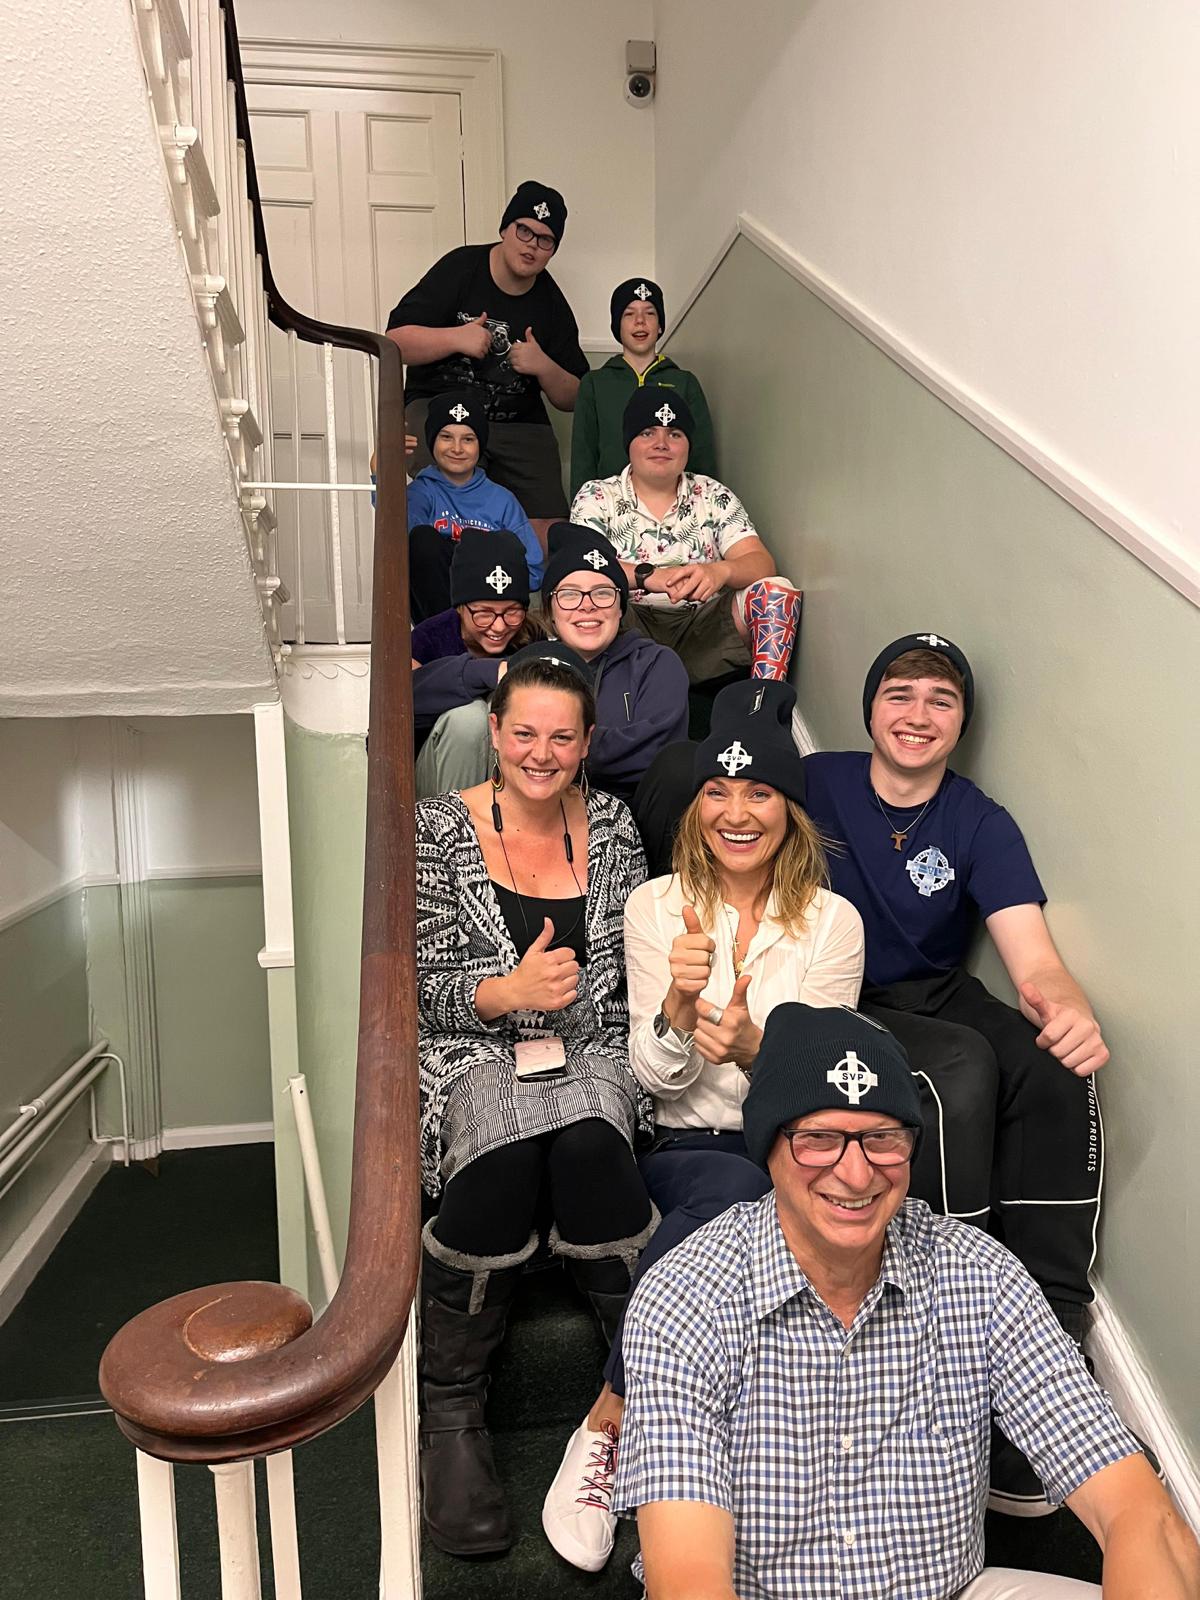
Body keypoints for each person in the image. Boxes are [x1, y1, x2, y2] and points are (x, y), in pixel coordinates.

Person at [612, 1004, 1200, 1600]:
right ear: (768, 1147)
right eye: (818, 1139)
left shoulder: (978, 1274)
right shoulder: (688, 1292)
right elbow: (686, 1580)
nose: (857, 1172)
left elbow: (1141, 1514)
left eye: (882, 1139)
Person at [542, 679, 864, 1573]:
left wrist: (765, 1053)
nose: (737, 811)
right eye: (718, 793)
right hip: (686, 1150)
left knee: (765, 1187)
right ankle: (613, 1429)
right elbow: (653, 1082)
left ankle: (613, 1420)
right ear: (695, 810)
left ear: (789, 811)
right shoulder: (656, 905)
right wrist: (681, 1008)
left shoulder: (834, 924)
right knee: (737, 1190)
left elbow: (827, 1097)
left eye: (759, 792)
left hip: (794, 1152)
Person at [800, 632, 1122, 1514]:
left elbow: (1033, 960)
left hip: (939, 992)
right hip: (839, 996)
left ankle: (1052, 1332)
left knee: (1054, 1067)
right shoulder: (817, 781)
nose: (917, 716)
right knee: (961, 1073)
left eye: (940, 702)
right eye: (899, 694)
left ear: (960, 724)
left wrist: (1069, 1008)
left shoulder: (979, 819)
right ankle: (952, 1329)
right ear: (871, 707)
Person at [413, 647, 657, 1557]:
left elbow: (630, 983)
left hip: (588, 1048)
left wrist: (572, 1006)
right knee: (505, 1150)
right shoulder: (437, 826)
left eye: (562, 736)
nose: (542, 752)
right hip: (470, 1050)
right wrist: (504, 994)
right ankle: (452, 1411)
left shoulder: (618, 827)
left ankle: (633, 1390)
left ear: (588, 742)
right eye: (524, 733)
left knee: (594, 1141)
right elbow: (421, 991)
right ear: (495, 734)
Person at [413, 525, 691, 802]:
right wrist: (492, 670)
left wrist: (547, 748)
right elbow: (413, 695)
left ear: (621, 606)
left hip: (622, 815)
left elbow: (656, 755)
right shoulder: (534, 663)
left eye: (603, 593)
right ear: (550, 610)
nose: (587, 605)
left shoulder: (656, 664)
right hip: (527, 813)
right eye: (569, 594)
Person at [570, 387, 802, 683]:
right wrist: (649, 576)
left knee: (776, 590)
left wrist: (721, 571)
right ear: (629, 442)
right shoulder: (597, 495)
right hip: (627, 628)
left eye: (675, 434)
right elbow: (580, 567)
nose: (661, 444)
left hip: (701, 630)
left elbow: (761, 563)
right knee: (584, 596)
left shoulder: (713, 494)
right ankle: (594, 697)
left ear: (688, 445)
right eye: (647, 433)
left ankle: (762, 705)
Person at [387, 180, 588, 519]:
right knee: (448, 514)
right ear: (505, 228)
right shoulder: (460, 268)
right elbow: (396, 343)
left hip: (519, 423)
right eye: (524, 230)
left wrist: (544, 366)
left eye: (545, 240)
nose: (532, 246)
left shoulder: (551, 302)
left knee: (550, 527)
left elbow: (576, 397)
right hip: (440, 408)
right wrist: (455, 338)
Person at [569, 276, 716, 497]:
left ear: (659, 326)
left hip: (674, 506)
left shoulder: (684, 382)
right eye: (629, 314)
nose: (640, 321)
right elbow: (583, 457)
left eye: (650, 313)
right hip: (610, 504)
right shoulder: (595, 384)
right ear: (617, 325)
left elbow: (702, 456)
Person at [406, 389, 544, 620]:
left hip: (491, 609)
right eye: (446, 437)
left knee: (499, 548)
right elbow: (398, 539)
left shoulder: (502, 499)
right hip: (439, 611)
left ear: (480, 444)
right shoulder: (422, 491)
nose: (457, 448)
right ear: (432, 441)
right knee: (423, 540)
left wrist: (480, 571)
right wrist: (382, 474)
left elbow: (533, 570)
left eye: (468, 439)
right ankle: (446, 640)